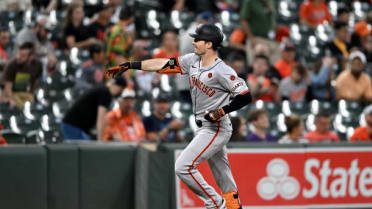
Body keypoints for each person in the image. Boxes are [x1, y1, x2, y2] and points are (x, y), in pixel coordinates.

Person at [104, 24, 251, 209]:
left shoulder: (223, 70)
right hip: (205, 126)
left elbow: (246, 96)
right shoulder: (192, 60)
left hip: (217, 126)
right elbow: (162, 64)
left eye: (197, 39)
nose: (193, 41)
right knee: (223, 175)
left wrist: (221, 111)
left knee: (182, 167)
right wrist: (132, 65)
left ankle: (215, 203)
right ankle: (232, 206)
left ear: (208, 44)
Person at [61, 76, 126, 140]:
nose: (119, 93)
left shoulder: (102, 89)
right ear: (118, 87)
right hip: (73, 126)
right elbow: (101, 119)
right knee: (84, 150)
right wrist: (100, 140)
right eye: (121, 90)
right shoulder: (105, 93)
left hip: (76, 127)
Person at [1, 42, 42, 108]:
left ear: (30, 57)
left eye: (22, 56)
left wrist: (32, 93)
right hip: (9, 92)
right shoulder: (12, 65)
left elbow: (35, 81)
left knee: (31, 99)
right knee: (21, 105)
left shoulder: (37, 65)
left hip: (23, 92)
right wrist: (11, 100)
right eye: (18, 54)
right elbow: (8, 88)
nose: (18, 57)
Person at [240, 0, 280, 64]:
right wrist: (251, 37)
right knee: (255, 65)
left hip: (271, 39)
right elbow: (244, 21)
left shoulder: (271, 2)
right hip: (256, 38)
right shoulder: (250, 2)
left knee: (275, 65)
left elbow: (273, 19)